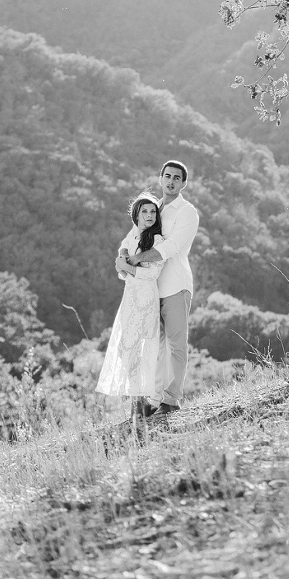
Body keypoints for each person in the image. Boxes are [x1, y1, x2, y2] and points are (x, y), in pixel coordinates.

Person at [120, 160, 199, 416]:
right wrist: (123, 257)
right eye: (167, 176)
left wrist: (136, 260)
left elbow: (172, 247)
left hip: (175, 286)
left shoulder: (186, 212)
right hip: (150, 288)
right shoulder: (153, 208)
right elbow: (133, 237)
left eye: (177, 178)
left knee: (176, 344)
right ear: (160, 178)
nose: (171, 181)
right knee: (155, 345)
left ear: (184, 183)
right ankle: (153, 400)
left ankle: (171, 400)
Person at [95, 192, 169, 410]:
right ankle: (138, 399)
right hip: (129, 296)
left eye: (153, 211)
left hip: (146, 296)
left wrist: (125, 266)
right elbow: (122, 264)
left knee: (142, 346)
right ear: (136, 215)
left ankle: (142, 401)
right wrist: (122, 260)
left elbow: (151, 273)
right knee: (126, 347)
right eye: (144, 211)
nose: (149, 215)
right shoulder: (133, 235)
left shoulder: (157, 240)